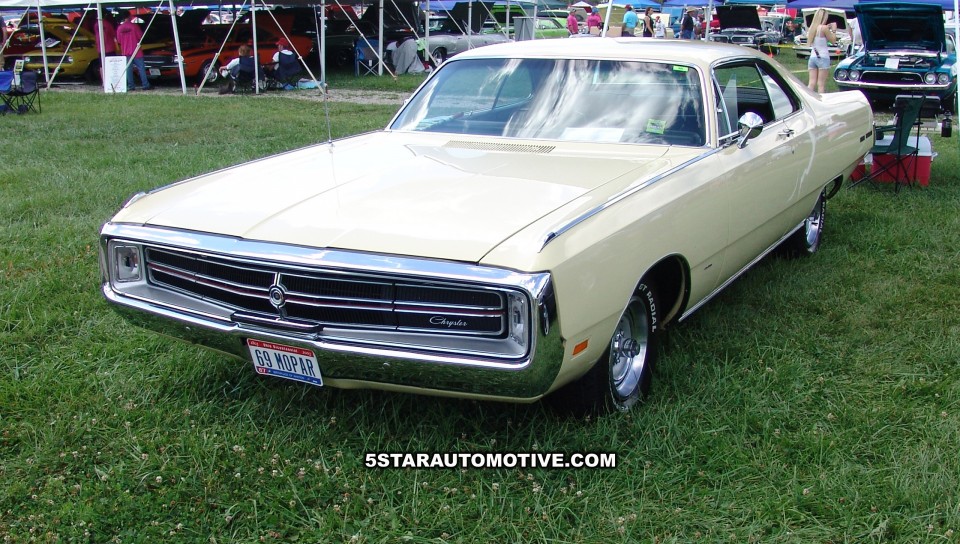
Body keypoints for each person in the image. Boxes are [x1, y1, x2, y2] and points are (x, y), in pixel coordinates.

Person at [116, 10, 151, 90]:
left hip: (125, 51)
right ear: (129, 16)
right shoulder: (134, 26)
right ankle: (145, 85)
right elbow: (140, 37)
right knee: (141, 68)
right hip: (136, 51)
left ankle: (131, 86)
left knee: (128, 69)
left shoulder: (119, 28)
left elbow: (119, 41)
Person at [806, 9, 837, 94]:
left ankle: (808, 99)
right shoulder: (824, 28)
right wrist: (834, 30)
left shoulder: (812, 28)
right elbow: (833, 41)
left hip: (813, 56)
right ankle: (821, 100)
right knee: (821, 84)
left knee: (811, 83)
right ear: (824, 17)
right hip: (823, 57)